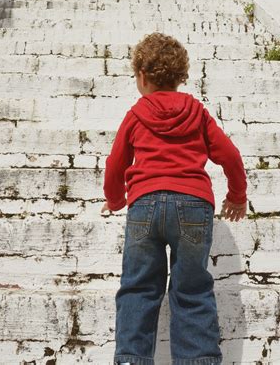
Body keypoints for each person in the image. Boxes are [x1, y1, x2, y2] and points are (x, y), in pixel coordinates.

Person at [101, 32, 248, 365]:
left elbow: (115, 164)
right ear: (180, 76)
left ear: (141, 77)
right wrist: (237, 196)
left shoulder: (136, 114)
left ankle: (130, 360)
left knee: (138, 288)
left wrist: (115, 199)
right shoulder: (197, 113)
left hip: (145, 206)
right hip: (194, 206)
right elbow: (230, 156)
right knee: (192, 290)